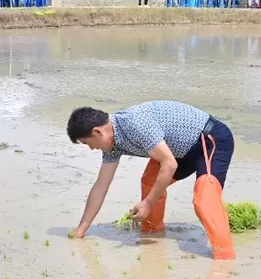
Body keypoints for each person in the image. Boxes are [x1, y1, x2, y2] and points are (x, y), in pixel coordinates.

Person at [67, 101, 236, 260]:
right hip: (177, 151)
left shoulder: (133, 123)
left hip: (209, 140)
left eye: (88, 143)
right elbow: (101, 186)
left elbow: (169, 164)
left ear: (98, 132)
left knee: (204, 200)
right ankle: (153, 231)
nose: (91, 148)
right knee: (150, 182)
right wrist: (81, 230)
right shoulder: (111, 145)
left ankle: (225, 257)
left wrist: (148, 203)